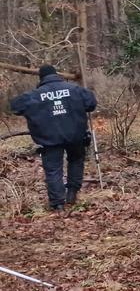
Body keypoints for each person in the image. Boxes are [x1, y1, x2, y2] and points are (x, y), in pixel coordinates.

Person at [10, 65, 97, 211]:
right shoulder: (74, 90)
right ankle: (72, 193)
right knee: (76, 160)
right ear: (56, 74)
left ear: (41, 78)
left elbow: (15, 106)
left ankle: (58, 204)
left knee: (53, 170)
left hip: (49, 139)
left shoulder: (34, 95)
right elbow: (91, 103)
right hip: (75, 135)